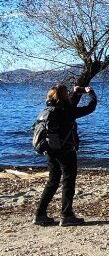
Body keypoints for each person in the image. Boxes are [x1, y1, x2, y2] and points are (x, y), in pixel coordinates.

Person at [34, 83, 98, 226]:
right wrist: (90, 93)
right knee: (68, 181)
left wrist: (76, 93)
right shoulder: (66, 111)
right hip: (66, 150)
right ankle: (66, 215)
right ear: (64, 96)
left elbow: (70, 107)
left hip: (50, 149)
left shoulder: (46, 110)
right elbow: (90, 107)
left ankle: (40, 214)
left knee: (53, 181)